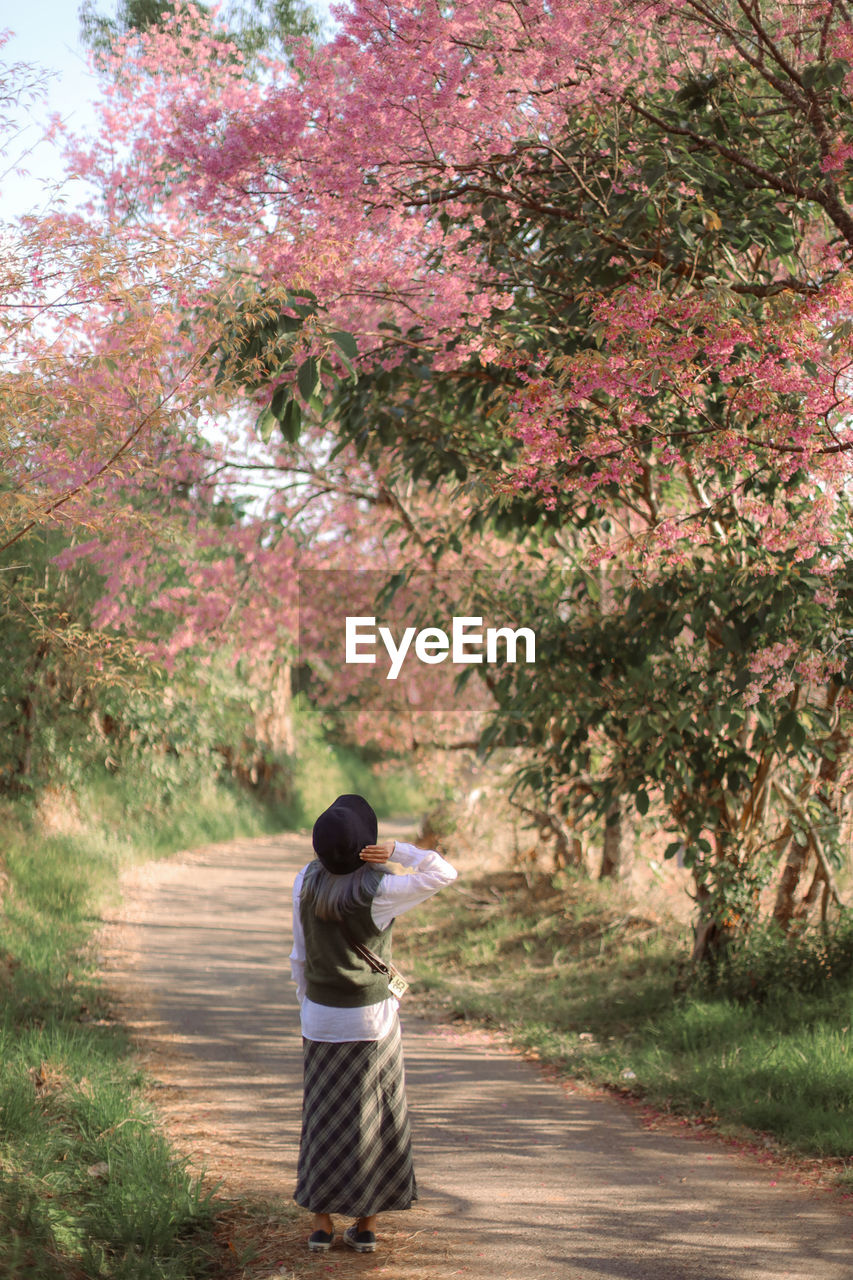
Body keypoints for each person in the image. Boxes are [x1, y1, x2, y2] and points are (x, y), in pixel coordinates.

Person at [289, 793, 457, 1255]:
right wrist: (400, 851)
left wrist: (312, 1009)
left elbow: (299, 958)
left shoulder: (304, 881)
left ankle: (321, 1224)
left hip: (320, 1018)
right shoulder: (380, 891)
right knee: (375, 1116)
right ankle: (365, 1225)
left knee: (322, 1116)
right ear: (368, 846)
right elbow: (444, 872)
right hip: (372, 1020)